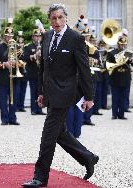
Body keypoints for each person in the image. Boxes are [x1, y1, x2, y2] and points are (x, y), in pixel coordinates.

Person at [22, 4, 99, 187]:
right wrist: (41, 92)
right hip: (50, 92)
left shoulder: (76, 38)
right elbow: (44, 68)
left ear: (65, 18)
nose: (56, 21)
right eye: (53, 18)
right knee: (59, 133)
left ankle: (40, 177)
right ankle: (88, 157)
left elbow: (84, 69)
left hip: (66, 93)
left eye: (60, 17)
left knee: (48, 135)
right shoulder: (47, 36)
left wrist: (89, 97)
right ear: (49, 20)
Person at [0, 19, 20, 126]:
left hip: (15, 77)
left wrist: (16, 62)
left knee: (14, 99)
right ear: (4, 36)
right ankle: (4, 119)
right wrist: (4, 64)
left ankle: (13, 118)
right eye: (8, 36)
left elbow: (22, 60)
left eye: (11, 36)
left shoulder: (17, 47)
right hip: (2, 77)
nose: (9, 38)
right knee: (3, 100)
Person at [106, 29, 132, 120]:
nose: (123, 46)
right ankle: (114, 114)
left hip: (125, 77)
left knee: (123, 98)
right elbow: (108, 64)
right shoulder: (112, 53)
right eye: (121, 44)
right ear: (118, 44)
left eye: (124, 44)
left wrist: (129, 59)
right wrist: (117, 63)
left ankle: (121, 114)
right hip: (115, 77)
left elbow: (131, 63)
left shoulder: (128, 53)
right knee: (115, 97)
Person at [22, 28, 45, 115]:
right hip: (32, 72)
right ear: (33, 37)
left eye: (39, 36)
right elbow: (25, 58)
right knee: (33, 91)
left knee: (40, 92)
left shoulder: (43, 46)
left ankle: (40, 109)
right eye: (36, 36)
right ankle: (33, 109)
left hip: (41, 73)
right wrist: (34, 55)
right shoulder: (28, 46)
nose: (37, 38)